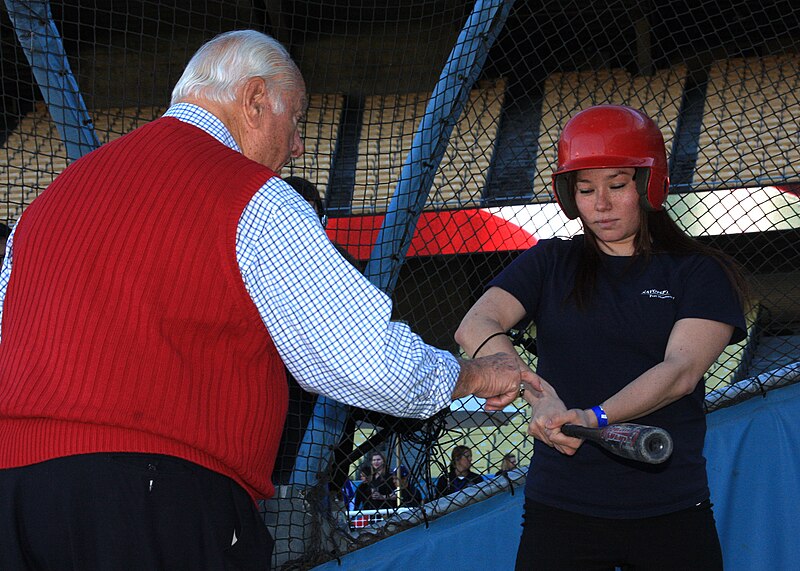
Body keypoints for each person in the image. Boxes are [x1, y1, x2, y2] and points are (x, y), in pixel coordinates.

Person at [0, 30, 537, 569]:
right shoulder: (253, 196)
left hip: (15, 497)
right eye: (297, 117)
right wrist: (471, 375)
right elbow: (364, 359)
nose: (299, 144)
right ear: (255, 100)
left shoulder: (44, 204)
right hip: (157, 498)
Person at [455, 104, 749, 570]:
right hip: (562, 507)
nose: (602, 204)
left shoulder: (698, 271)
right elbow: (476, 323)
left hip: (669, 507)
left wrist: (594, 417)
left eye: (617, 185)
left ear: (648, 186)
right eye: (587, 189)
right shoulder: (551, 260)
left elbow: (680, 373)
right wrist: (537, 394)